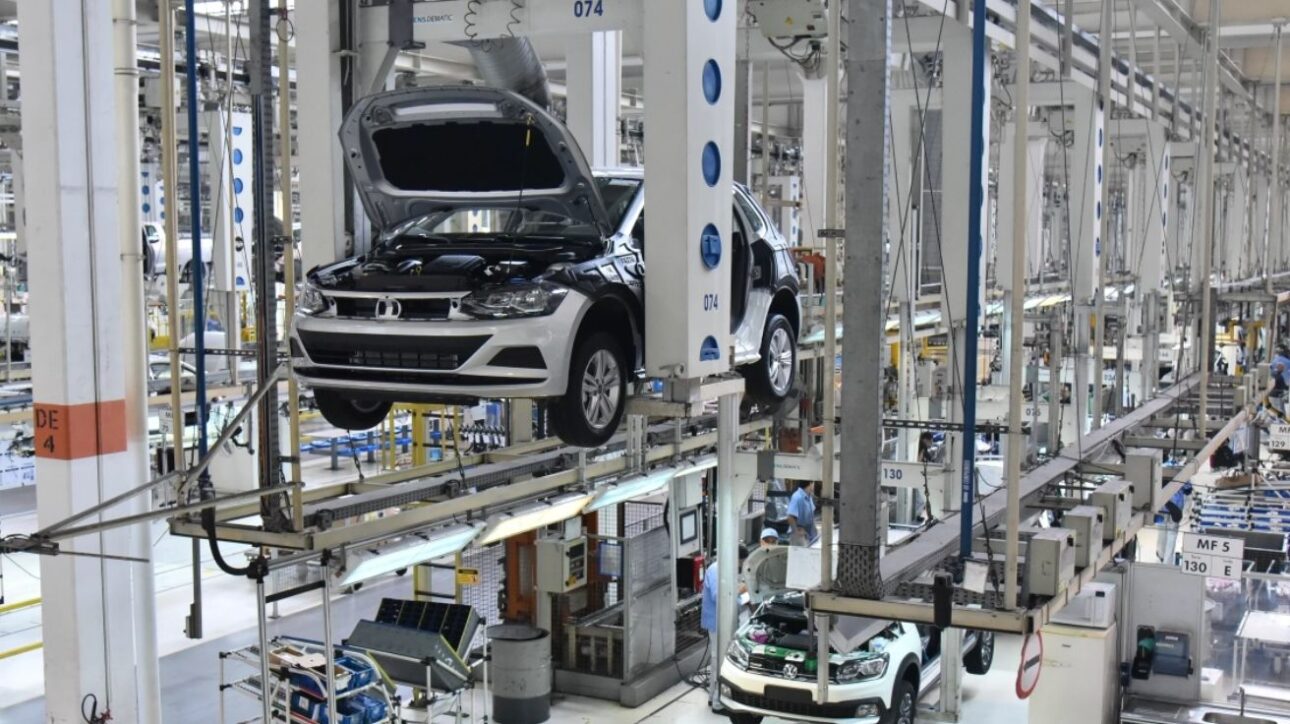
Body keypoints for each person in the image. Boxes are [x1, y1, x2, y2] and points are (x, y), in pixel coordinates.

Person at [701, 544, 749, 711]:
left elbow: (732, 600)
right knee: (719, 661)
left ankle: (714, 696)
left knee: (721, 660)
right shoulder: (716, 570)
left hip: (725, 622)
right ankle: (717, 701)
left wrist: (743, 597)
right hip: (716, 623)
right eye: (740, 562)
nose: (740, 566)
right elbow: (717, 596)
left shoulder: (727, 570)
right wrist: (738, 590)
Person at [787, 479, 817, 546]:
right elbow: (790, 516)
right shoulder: (797, 497)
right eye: (814, 483)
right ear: (810, 483)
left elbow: (811, 515)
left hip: (808, 534)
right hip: (800, 535)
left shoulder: (809, 496)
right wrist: (796, 532)